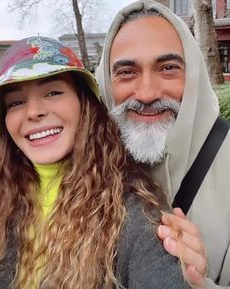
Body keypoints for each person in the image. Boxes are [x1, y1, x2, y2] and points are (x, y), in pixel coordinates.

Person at [0, 36, 194, 289]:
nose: (33, 112)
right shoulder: (0, 193)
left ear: (84, 103)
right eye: (16, 102)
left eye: (53, 92)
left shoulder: (134, 209)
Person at [96, 1, 230, 288]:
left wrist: (199, 284)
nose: (146, 93)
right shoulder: (87, 166)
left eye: (168, 68)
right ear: (107, 82)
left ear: (194, 74)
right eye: (127, 72)